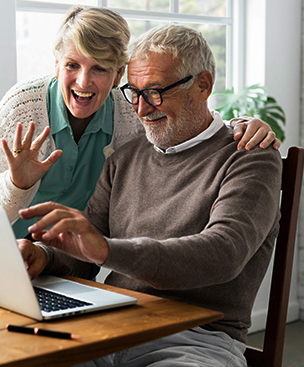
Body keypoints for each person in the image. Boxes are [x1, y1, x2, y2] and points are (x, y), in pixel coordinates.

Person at [16, 24, 282, 366]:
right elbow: (85, 252)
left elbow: (224, 252)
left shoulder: (249, 155)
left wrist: (107, 250)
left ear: (203, 85)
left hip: (197, 339)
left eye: (155, 92)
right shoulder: (125, 158)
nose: (141, 109)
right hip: (111, 326)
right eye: (134, 92)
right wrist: (44, 256)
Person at [0, 6, 279, 239]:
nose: (83, 82)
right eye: (72, 65)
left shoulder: (132, 109)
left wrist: (242, 124)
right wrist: (16, 185)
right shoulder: (23, 107)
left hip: (70, 265)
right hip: (4, 253)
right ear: (56, 66)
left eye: (99, 68)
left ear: (118, 74)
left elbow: (186, 115)